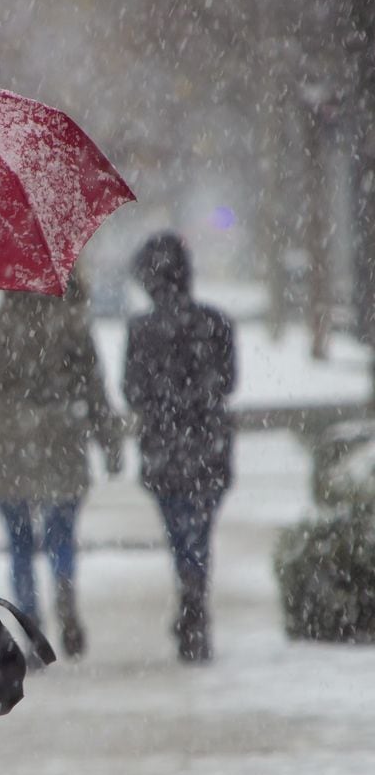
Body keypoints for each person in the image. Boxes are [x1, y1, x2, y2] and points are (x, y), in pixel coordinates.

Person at [0, 271, 124, 658]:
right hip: (62, 435)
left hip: (7, 438)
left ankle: (30, 626)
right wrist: (110, 441)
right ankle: (65, 599)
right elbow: (94, 387)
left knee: (19, 543)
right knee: (61, 535)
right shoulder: (71, 323)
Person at [123, 231, 236, 663]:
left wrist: (163, 399)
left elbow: (133, 391)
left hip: (164, 446)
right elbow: (228, 382)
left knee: (179, 532)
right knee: (200, 531)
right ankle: (194, 599)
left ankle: (189, 595)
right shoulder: (217, 322)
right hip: (208, 443)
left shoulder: (141, 330)